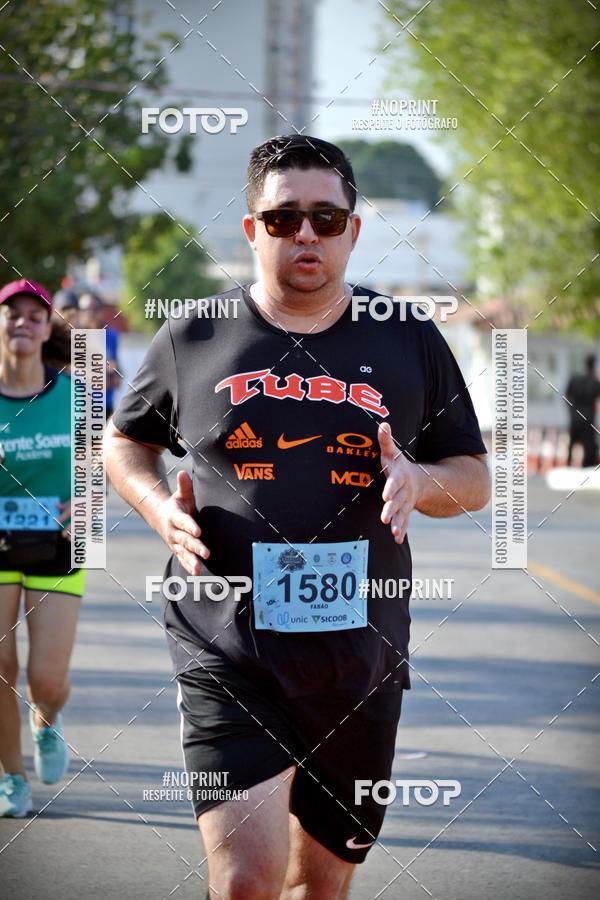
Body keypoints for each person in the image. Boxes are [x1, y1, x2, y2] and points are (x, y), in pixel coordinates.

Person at [105, 135, 490, 899]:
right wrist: (156, 507)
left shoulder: (409, 337)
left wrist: (418, 479)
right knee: (245, 880)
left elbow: (473, 478)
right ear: (253, 231)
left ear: (353, 229)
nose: (305, 234)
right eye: (283, 220)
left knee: (320, 883)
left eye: (325, 217)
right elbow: (126, 440)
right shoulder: (195, 336)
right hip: (226, 645)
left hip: (360, 653)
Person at [0, 278, 85, 818]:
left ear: (48, 327)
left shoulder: (76, 392)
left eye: (35, 315)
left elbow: (102, 461)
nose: (23, 322)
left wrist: (84, 505)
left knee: (46, 679)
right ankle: (11, 776)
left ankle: (46, 721)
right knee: (0, 665)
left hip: (62, 540)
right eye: (13, 314)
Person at [78, 291, 121, 416]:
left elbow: (116, 376)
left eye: (94, 308)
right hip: (80, 405)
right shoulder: (74, 335)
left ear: (101, 311)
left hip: (104, 406)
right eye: (85, 309)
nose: (90, 313)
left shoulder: (111, 335)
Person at [565, 354, 600, 468]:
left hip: (575, 417)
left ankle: (569, 466)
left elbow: (567, 397)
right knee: (589, 447)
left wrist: (571, 411)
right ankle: (586, 469)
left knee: (572, 444)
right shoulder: (595, 383)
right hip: (588, 419)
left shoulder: (575, 379)